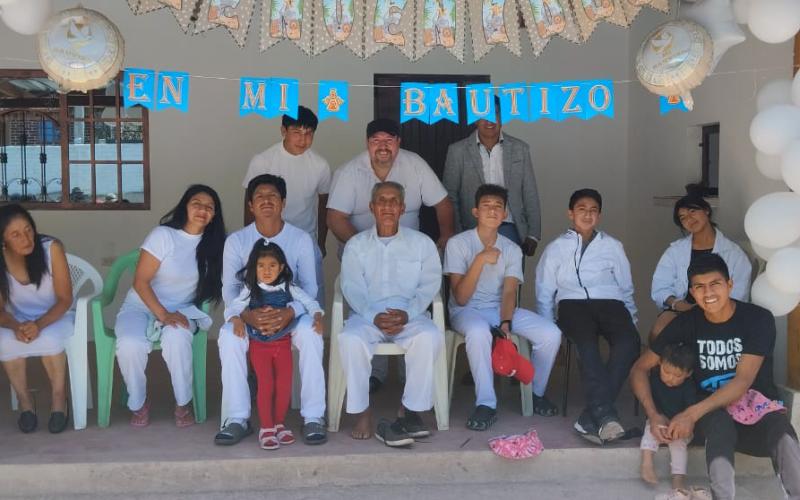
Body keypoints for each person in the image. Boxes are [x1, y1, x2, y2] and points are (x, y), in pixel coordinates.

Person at [632, 253, 800, 500]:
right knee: (719, 424)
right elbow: (639, 368)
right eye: (699, 287)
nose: (707, 292)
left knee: (782, 430)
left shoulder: (757, 319)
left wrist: (690, 413)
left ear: (730, 284)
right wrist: (654, 413)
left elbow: (742, 382)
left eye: (715, 284)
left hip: (754, 413)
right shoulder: (687, 323)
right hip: (708, 416)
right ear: (692, 291)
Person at [328, 118, 454, 391]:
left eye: (389, 140)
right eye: (376, 141)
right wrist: (365, 249)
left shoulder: (415, 164)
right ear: (367, 144)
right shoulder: (350, 171)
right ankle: (374, 376)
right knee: (364, 311)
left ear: (398, 143)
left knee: (413, 313)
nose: (382, 147)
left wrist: (445, 238)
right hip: (361, 255)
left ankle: (412, 379)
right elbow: (335, 217)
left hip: (410, 255)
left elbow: (442, 204)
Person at [215, 174, 327, 446]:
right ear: (251, 205)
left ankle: (313, 416)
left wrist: (290, 312)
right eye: (259, 197)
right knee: (229, 337)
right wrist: (245, 315)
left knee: (311, 335)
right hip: (248, 312)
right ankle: (237, 418)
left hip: (291, 311)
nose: (266, 201)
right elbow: (229, 289)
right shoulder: (237, 241)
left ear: (283, 202)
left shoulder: (300, 240)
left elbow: (311, 288)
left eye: (273, 196)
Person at [444, 184, 561, 430]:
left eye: (499, 206)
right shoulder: (458, 243)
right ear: (475, 211)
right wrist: (479, 260)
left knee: (551, 334)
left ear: (505, 214)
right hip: (466, 312)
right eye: (487, 205)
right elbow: (461, 297)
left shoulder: (512, 249)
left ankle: (535, 392)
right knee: (478, 333)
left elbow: (509, 291)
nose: (493, 211)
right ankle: (486, 403)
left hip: (499, 310)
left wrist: (506, 322)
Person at [338, 181, 444, 447]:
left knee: (429, 337)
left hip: (410, 315)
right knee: (350, 340)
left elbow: (430, 285)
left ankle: (409, 410)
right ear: (372, 207)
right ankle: (362, 412)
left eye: (394, 200)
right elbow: (351, 287)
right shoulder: (356, 245)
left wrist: (407, 313)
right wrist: (374, 315)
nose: (387, 206)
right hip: (367, 316)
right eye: (382, 201)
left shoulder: (422, 244)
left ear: (403, 208)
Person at [115, 185, 226, 427]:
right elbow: (140, 282)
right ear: (185, 206)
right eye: (196, 203)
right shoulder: (163, 235)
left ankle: (182, 403)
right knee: (129, 345)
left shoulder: (215, 246)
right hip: (140, 306)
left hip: (182, 309)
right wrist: (162, 315)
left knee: (177, 339)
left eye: (209, 207)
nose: (202, 210)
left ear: (214, 215)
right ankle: (138, 403)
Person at [535, 188, 640, 445]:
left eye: (593, 210)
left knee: (630, 343)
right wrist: (550, 332)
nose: (587, 214)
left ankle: (590, 417)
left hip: (610, 303)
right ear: (571, 213)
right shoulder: (556, 248)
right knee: (587, 346)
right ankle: (604, 416)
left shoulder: (613, 246)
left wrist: (632, 322)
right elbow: (544, 291)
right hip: (573, 305)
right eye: (581, 209)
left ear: (599, 216)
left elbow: (626, 287)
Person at [227, 241, 324, 450]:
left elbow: (310, 302)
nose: (266, 270)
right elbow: (233, 307)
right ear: (254, 268)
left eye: (272, 265)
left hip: (283, 344)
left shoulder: (290, 287)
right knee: (266, 385)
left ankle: (280, 423)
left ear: (281, 267)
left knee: (283, 386)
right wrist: (236, 319)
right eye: (261, 265)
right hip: (260, 346)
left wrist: (317, 316)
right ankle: (267, 427)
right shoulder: (249, 289)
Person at [243, 106, 331, 305]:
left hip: (306, 238)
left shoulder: (320, 165)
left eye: (309, 133)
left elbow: (324, 204)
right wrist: (250, 238)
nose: (303, 139)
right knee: (268, 297)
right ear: (284, 131)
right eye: (296, 132)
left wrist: (321, 242)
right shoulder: (263, 160)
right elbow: (250, 202)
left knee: (310, 297)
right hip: (267, 241)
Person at [0, 204, 73, 434]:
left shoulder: (52, 249)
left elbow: (64, 299)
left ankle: (59, 399)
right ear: (3, 241)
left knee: (50, 341)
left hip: (55, 315)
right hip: (18, 319)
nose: (26, 238)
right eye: (16, 234)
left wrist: (39, 325)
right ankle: (25, 404)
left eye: (28, 229)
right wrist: (16, 325)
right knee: (5, 341)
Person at [443, 95, 541, 258]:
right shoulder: (457, 151)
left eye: (494, 113)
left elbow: (530, 193)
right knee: (473, 280)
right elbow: (451, 196)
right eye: (483, 114)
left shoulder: (519, 149)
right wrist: (457, 233)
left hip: (510, 227)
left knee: (509, 279)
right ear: (475, 119)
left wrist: (533, 234)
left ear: (503, 117)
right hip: (471, 228)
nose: (489, 120)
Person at [650, 192, 752, 343]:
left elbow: (739, 294)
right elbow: (660, 287)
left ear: (706, 210)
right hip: (683, 310)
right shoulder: (675, 251)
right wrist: (678, 304)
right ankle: (659, 367)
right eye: (683, 217)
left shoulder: (734, 253)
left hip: (719, 312)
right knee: (659, 330)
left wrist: (708, 309)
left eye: (692, 211)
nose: (689, 219)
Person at [638, 342, 697, 493]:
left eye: (677, 375)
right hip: (660, 418)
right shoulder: (654, 379)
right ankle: (647, 463)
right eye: (666, 371)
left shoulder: (689, 387)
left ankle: (678, 479)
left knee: (678, 444)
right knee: (649, 430)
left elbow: (690, 412)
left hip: (680, 425)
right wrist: (657, 417)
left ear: (688, 373)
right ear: (659, 363)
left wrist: (679, 426)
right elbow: (651, 405)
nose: (670, 378)